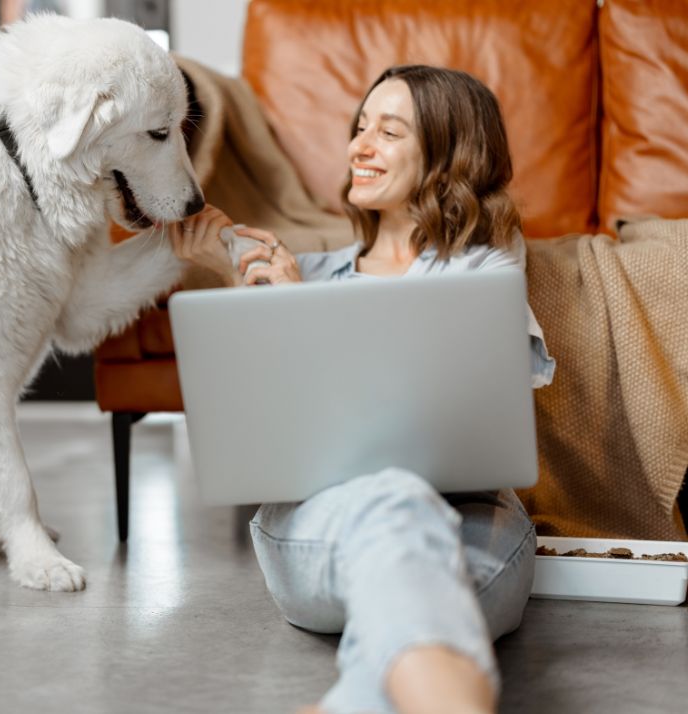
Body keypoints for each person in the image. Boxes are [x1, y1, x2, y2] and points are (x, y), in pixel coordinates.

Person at [169, 65, 556, 714]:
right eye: (359, 127)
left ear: (446, 153)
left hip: (474, 534)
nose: (359, 145)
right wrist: (259, 287)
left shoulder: (483, 268)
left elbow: (460, 398)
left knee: (407, 595)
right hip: (321, 534)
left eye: (390, 130)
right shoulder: (303, 276)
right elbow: (273, 439)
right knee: (396, 498)